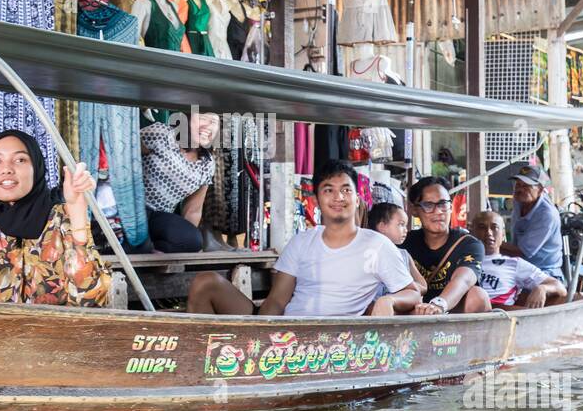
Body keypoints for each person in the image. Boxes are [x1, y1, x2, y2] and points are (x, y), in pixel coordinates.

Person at [187, 160, 420, 316]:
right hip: (287, 335)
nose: (338, 197)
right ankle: (196, 372)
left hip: (337, 345)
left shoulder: (377, 245)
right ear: (317, 201)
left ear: (357, 199)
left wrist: (388, 301)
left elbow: (413, 292)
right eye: (328, 190)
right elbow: (277, 300)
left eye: (346, 190)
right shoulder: (302, 241)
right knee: (205, 282)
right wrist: (262, 338)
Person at [0, 130, 111, 306]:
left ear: (36, 168)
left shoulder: (61, 220)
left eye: (20, 160)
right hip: (6, 333)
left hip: (61, 332)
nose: (6, 169)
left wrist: (76, 210)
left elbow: (90, 300)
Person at [404, 177, 491, 315]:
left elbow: (463, 280)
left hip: (452, 311)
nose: (438, 211)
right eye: (428, 205)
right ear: (415, 210)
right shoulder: (405, 244)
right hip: (415, 312)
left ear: (451, 206)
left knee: (478, 295)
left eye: (443, 204)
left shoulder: (469, 244)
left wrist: (439, 305)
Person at [140, 110, 221, 252]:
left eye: (213, 122)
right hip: (132, 208)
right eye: (203, 118)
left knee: (193, 241)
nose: (208, 126)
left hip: (158, 218)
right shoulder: (162, 134)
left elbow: (193, 210)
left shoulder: (207, 164)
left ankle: (150, 249)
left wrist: (186, 241)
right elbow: (126, 148)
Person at [469, 210, 565, 309]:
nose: (489, 232)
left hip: (498, 317)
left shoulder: (514, 264)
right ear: (472, 232)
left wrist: (542, 288)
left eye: (494, 228)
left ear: (503, 235)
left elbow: (560, 287)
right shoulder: (462, 260)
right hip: (462, 316)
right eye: (482, 228)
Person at [502, 164, 564, 280]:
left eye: (526, 186)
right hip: (522, 266)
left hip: (545, 272)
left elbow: (522, 252)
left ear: (540, 190)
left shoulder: (546, 215)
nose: (520, 189)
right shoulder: (519, 201)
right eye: (518, 185)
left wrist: (490, 242)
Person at [366, 201, 427, 295]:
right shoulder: (367, 255)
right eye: (401, 224)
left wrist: (406, 286)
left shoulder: (404, 255)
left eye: (405, 225)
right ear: (382, 227)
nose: (406, 230)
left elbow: (423, 287)